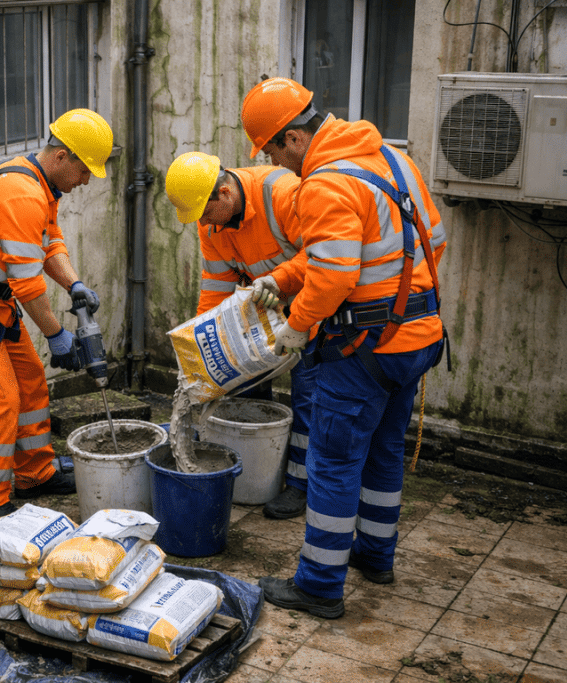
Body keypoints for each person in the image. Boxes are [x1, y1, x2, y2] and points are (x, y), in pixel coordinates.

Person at [240, 77, 447, 618]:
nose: (275, 164)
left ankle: (319, 585)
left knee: (333, 462)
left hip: (362, 351)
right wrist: (284, 278)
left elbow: (334, 274)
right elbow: (433, 241)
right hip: (417, 339)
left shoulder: (324, 183)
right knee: (384, 450)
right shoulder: (393, 159)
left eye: (272, 152)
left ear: (293, 138)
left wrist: (297, 325)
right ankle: (376, 556)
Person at [0, 109, 113, 526]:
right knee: (0, 401)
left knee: (30, 381)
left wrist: (74, 284)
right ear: (62, 157)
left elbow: (50, 242)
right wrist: (57, 335)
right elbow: (27, 286)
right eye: (85, 170)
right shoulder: (22, 194)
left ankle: (34, 474)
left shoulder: (40, 184)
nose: (86, 181)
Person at [164, 151, 318, 519]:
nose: (202, 223)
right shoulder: (211, 223)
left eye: (205, 214)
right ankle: (249, 470)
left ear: (225, 194)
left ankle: (300, 484)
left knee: (310, 395)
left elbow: (323, 254)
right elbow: (216, 287)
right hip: (265, 313)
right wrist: (202, 345)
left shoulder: (282, 194)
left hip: (314, 307)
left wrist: (279, 281)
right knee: (243, 386)